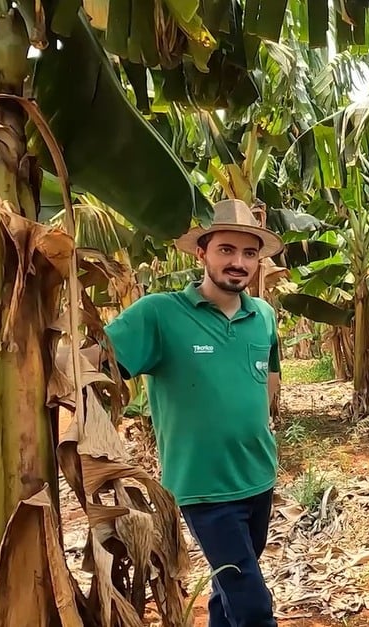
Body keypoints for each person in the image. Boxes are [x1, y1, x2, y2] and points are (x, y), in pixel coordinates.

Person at [104, 198, 285, 627]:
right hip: (203, 488)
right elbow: (90, 366)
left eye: (249, 253)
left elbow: (271, 377)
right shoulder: (160, 315)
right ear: (201, 252)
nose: (238, 262)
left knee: (228, 593)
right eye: (226, 249)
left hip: (258, 478)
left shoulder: (262, 316)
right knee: (253, 606)